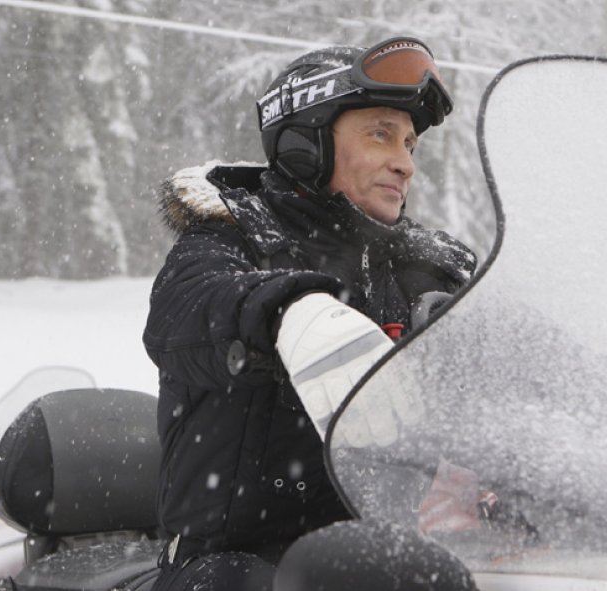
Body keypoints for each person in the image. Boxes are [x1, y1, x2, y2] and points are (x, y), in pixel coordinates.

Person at [143, 37, 477, 590]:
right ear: (306, 142)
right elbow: (187, 309)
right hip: (231, 564)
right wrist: (287, 313)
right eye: (381, 135)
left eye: (411, 145)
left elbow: (517, 339)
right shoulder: (227, 239)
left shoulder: (423, 266)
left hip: (376, 561)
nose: (404, 163)